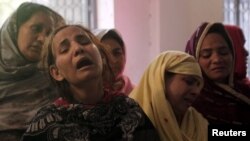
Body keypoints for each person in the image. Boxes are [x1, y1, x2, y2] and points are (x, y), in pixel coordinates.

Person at [21, 25, 159, 141]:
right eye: (64, 49)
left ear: (101, 56)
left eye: (84, 41)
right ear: (57, 73)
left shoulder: (129, 109)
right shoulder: (47, 122)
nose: (78, 49)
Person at [0, 2, 65, 140]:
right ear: (14, 29)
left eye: (49, 34)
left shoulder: (55, 78)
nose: (42, 39)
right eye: (36, 28)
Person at [129, 51, 208, 141]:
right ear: (161, 79)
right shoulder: (129, 121)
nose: (196, 92)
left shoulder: (197, 122)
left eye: (198, 85)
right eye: (189, 82)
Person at [185, 22, 250, 125]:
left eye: (223, 52)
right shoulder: (190, 102)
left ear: (233, 54)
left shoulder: (245, 92)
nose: (217, 59)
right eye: (207, 54)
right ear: (194, 59)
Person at [93, 29, 134, 95]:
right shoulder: (86, 97)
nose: (113, 61)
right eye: (104, 54)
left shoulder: (138, 93)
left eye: (117, 53)